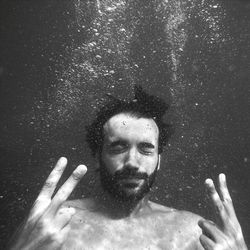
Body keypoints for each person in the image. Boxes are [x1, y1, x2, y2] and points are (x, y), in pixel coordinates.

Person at [9, 86, 248, 250]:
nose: (132, 162)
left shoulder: (195, 232)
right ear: (96, 156)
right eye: (118, 148)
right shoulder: (51, 225)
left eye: (146, 149)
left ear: (159, 159)